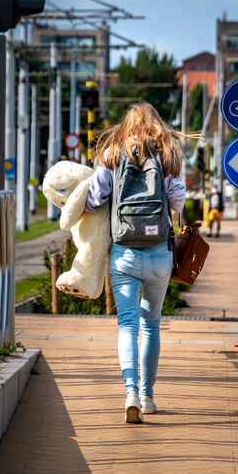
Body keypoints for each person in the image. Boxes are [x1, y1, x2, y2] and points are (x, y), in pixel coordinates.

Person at [85, 102, 186, 424]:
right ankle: (148, 396)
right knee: (151, 324)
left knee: (127, 326)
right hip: (159, 255)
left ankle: (130, 393)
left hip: (124, 253)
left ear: (125, 125)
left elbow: (94, 198)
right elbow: (178, 201)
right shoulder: (167, 154)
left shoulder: (112, 153)